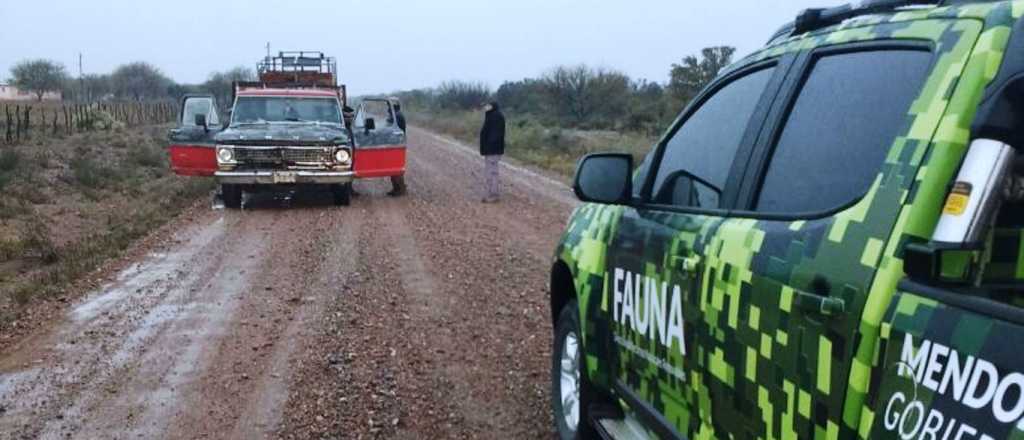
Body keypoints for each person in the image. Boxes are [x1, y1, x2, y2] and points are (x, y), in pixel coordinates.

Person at [479, 101, 505, 203]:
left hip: (493, 149)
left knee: (492, 172)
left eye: (488, 106)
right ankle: (491, 194)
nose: (486, 107)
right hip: (492, 149)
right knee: (491, 171)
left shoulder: (496, 117)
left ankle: (493, 195)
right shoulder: (492, 115)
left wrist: (489, 146)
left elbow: (496, 134)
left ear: (492, 107)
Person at [388, 101, 408, 197]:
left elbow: (389, 127)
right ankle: (398, 188)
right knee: (395, 167)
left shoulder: (396, 116)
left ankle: (400, 189)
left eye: (389, 106)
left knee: (396, 168)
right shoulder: (398, 114)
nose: (387, 109)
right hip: (397, 142)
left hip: (397, 143)